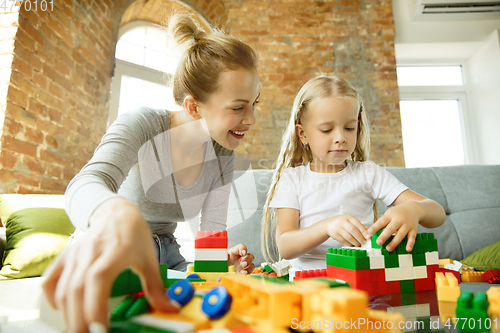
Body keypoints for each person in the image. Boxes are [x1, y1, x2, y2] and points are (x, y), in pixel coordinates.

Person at [43, 14, 259, 333]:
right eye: (239, 107)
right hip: (107, 249)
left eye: (255, 104)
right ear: (194, 106)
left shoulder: (223, 151)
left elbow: (209, 234)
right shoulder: (142, 123)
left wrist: (218, 258)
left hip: (168, 257)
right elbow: (83, 185)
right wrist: (115, 212)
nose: (251, 119)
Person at [261, 74, 445, 274]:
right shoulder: (292, 179)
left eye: (349, 128)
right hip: (310, 282)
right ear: (303, 134)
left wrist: (414, 210)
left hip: (363, 276)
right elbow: (285, 246)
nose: (340, 138)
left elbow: (437, 213)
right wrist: (326, 227)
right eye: (326, 129)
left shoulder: (368, 173)